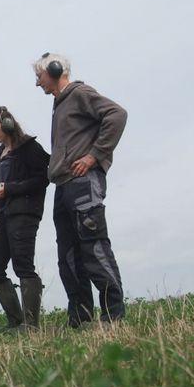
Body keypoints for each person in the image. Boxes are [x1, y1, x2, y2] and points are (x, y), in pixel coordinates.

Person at [33, 52, 127, 327]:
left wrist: (94, 155)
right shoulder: (60, 104)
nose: (37, 83)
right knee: (69, 257)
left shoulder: (79, 93)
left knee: (93, 246)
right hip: (63, 185)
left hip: (84, 182)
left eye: (39, 76)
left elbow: (117, 115)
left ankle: (114, 317)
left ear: (54, 70)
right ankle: (81, 317)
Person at [0, 106, 50, 330]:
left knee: (23, 265)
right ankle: (16, 321)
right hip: (3, 215)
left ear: (7, 124)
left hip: (24, 213)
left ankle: (31, 325)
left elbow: (41, 180)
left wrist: (7, 189)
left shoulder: (30, 148)